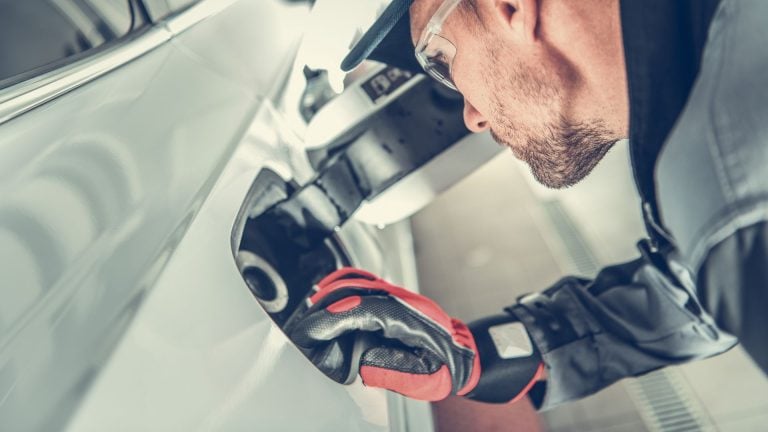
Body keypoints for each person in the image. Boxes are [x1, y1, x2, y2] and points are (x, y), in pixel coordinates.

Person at [288, 0, 768, 409]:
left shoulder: (727, 175)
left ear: (510, 7)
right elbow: (698, 298)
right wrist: (486, 353)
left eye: (438, 57)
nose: (472, 116)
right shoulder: (706, 78)